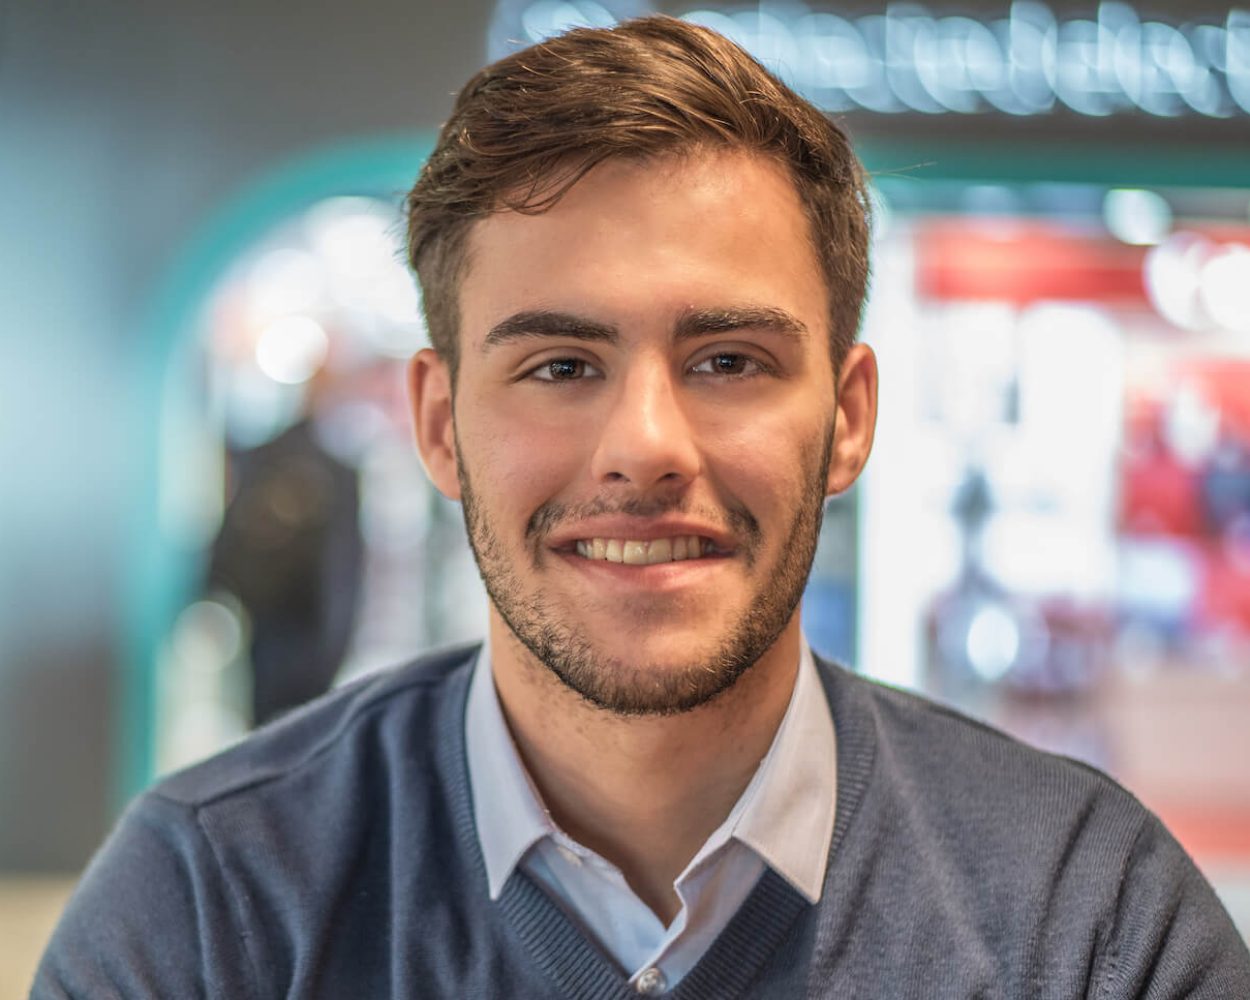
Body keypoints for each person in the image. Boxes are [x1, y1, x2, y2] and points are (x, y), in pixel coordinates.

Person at [34, 16, 1250, 999]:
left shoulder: (1086, 924)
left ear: (849, 415)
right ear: (441, 423)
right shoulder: (211, 910)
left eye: (727, 360)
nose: (646, 448)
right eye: (560, 366)